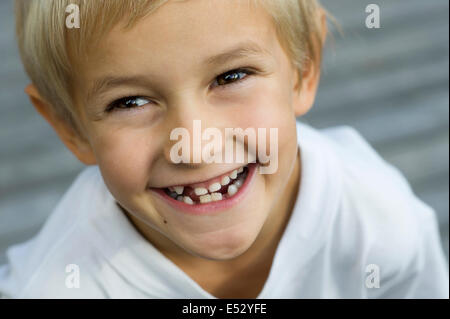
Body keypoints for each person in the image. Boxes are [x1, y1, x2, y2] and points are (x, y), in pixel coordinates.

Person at [0, 0, 447, 298]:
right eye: (130, 102)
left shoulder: (380, 224)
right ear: (69, 126)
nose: (194, 145)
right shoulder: (57, 287)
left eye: (231, 76)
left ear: (303, 67)